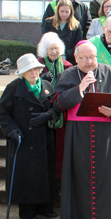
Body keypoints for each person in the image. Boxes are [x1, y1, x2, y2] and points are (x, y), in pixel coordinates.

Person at [53, 41, 111, 219]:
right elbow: (56, 103)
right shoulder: (67, 75)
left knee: (107, 178)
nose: (89, 62)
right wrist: (79, 88)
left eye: (92, 57)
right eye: (84, 58)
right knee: (79, 178)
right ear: (75, 58)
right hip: (78, 134)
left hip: (106, 136)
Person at [0, 54, 60, 219]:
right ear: (22, 73)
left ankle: (45, 208)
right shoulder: (13, 88)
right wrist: (12, 130)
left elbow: (57, 108)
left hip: (44, 140)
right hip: (23, 140)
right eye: (29, 70)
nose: (34, 73)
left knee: (44, 175)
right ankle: (27, 213)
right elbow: (2, 113)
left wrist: (48, 115)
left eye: (36, 69)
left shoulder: (47, 85)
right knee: (26, 178)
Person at [36, 33, 74, 181]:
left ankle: (60, 177)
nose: (54, 52)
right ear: (45, 50)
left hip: (62, 111)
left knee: (61, 147)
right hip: (43, 110)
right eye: (50, 49)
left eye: (56, 49)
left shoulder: (67, 65)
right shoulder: (38, 65)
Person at [42, 0, 83, 65]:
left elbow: (78, 44)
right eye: (62, 11)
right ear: (57, 11)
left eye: (67, 12)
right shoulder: (48, 22)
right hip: (51, 57)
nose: (64, 14)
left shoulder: (76, 25)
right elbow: (45, 41)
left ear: (71, 12)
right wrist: (54, 53)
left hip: (69, 59)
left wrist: (65, 55)